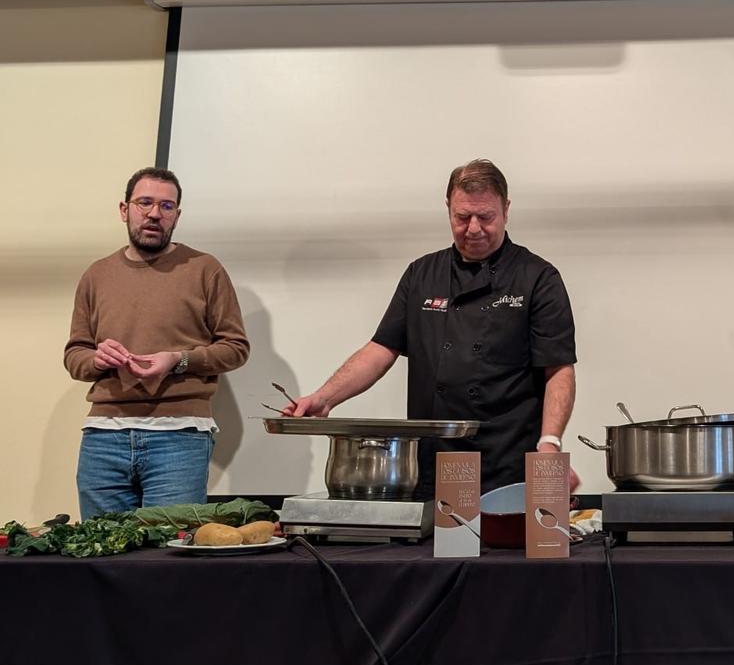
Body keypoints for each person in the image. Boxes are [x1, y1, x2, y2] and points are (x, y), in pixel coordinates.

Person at [286, 159, 578, 496]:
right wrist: (324, 398)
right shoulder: (422, 274)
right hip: (432, 461)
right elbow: (381, 349)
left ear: (506, 210)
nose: (473, 228)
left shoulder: (538, 277)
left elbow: (559, 369)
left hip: (507, 460)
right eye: (462, 217)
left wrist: (550, 443)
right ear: (448, 209)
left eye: (485, 217)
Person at [64, 167, 250, 519]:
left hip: (180, 435)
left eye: (166, 206)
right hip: (104, 436)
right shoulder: (96, 275)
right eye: (144, 203)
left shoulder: (205, 269)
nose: (154, 214)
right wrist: (97, 359)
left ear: (177, 215)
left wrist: (179, 360)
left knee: (165, 549)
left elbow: (236, 347)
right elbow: (75, 354)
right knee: (101, 548)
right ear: (125, 210)